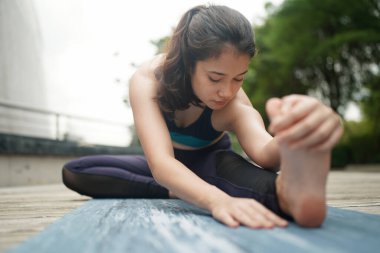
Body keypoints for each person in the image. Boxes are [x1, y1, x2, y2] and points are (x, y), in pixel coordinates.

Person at [62, 5, 343, 229]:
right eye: (216, 77)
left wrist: (297, 135)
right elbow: (161, 163)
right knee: (77, 172)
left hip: (212, 163)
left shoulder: (234, 103)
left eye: (239, 78)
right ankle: (178, 190)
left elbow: (264, 153)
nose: (227, 91)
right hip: (164, 167)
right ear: (187, 63)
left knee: (267, 187)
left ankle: (295, 194)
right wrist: (214, 199)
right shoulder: (148, 81)